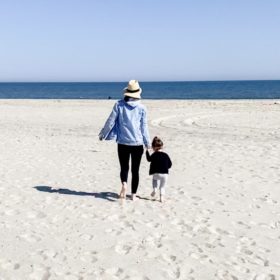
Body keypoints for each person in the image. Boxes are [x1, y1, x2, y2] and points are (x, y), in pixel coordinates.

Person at [99, 80, 151, 201]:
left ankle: (124, 184)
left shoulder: (119, 105)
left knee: (124, 167)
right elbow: (144, 127)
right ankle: (133, 195)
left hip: (122, 142)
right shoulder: (142, 108)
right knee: (135, 170)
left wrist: (103, 133)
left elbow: (110, 121)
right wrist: (147, 143)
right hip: (137, 143)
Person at [146, 136, 172, 202]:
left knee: (154, 180)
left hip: (156, 173)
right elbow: (170, 164)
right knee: (162, 187)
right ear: (162, 146)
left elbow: (149, 159)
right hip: (165, 174)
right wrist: (166, 167)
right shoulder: (166, 155)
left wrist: (147, 152)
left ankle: (154, 189)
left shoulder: (154, 154)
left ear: (153, 147)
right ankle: (161, 198)